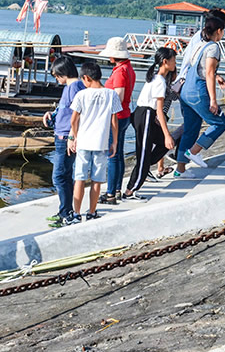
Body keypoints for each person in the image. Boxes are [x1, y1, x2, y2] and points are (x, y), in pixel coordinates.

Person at [68, 61, 122, 221]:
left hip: (84, 142)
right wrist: (115, 142)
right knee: (97, 180)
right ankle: (91, 212)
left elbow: (73, 120)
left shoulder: (81, 95)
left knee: (80, 178)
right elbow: (115, 122)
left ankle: (77, 214)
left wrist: (75, 136)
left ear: (86, 78)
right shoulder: (111, 94)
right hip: (101, 142)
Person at [177, 15, 225, 174]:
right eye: (223, 32)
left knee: (190, 130)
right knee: (220, 123)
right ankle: (194, 152)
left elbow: (199, 68)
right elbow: (209, 74)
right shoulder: (213, 47)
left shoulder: (200, 44)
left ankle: (180, 170)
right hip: (198, 92)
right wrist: (213, 100)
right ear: (219, 31)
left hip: (185, 91)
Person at [123, 47, 178, 198]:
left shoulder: (156, 77)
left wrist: (166, 136)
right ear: (165, 62)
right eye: (174, 60)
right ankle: (131, 190)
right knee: (145, 153)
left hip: (146, 115)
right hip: (145, 115)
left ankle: (145, 166)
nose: (175, 63)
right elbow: (160, 110)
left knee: (161, 145)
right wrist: (167, 134)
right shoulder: (159, 80)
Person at [42, 55, 86, 227]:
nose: (56, 79)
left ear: (62, 73)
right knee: (65, 175)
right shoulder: (71, 86)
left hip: (65, 137)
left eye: (56, 75)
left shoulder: (74, 86)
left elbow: (78, 113)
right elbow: (65, 109)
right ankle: (64, 210)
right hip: (62, 134)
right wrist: (52, 115)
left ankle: (66, 213)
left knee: (59, 176)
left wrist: (72, 137)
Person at [98, 37, 135, 205]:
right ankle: (117, 189)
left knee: (112, 154)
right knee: (118, 153)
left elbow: (118, 96)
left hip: (117, 117)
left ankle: (111, 192)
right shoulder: (128, 68)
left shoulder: (120, 71)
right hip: (125, 114)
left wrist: (105, 112)